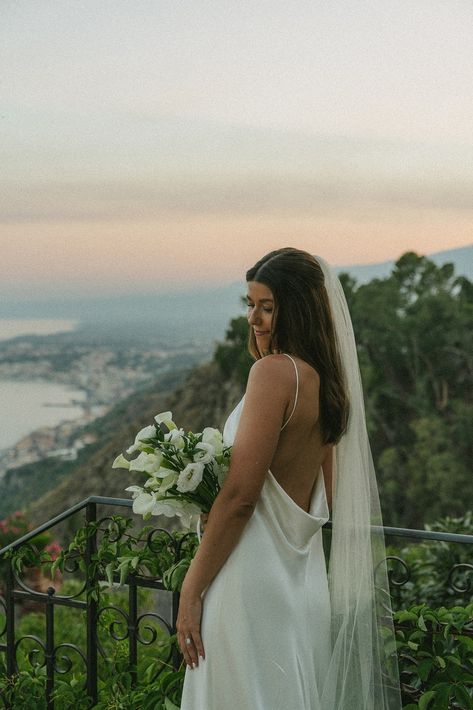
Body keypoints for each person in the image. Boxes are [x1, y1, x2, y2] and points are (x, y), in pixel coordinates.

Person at [177, 248, 401, 710]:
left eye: (268, 307)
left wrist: (191, 588)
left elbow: (241, 498)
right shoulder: (327, 382)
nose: (253, 318)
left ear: (295, 309)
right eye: (250, 304)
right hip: (302, 587)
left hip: (248, 582)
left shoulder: (274, 375)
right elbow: (329, 493)